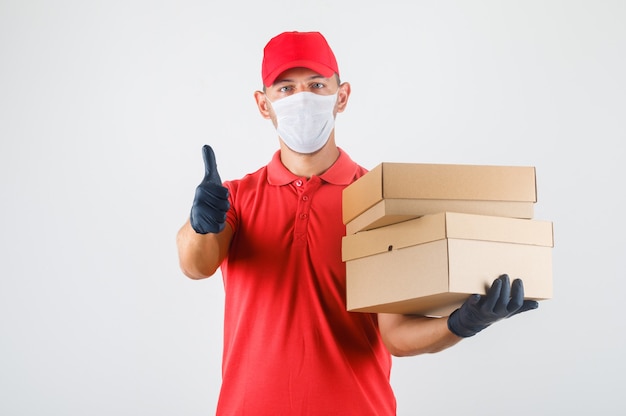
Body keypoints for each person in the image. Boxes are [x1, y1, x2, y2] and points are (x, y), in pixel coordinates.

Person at [176, 31, 538, 416]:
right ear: (263, 104)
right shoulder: (234, 198)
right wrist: (201, 225)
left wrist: (463, 322)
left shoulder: (378, 205)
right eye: (285, 88)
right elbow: (196, 265)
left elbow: (395, 334)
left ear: (342, 96)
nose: (302, 99)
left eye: (317, 85)